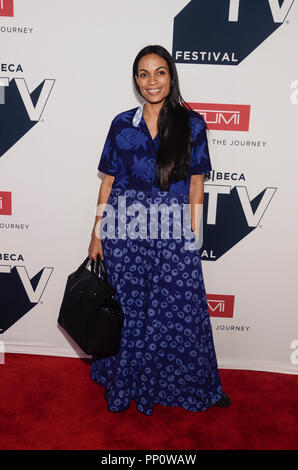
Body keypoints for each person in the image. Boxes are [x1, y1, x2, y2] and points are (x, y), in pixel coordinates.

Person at [88, 44, 230, 416]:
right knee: (129, 311)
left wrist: (192, 237)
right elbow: (107, 183)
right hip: (124, 229)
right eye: (143, 74)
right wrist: (96, 234)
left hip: (171, 231)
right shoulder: (121, 123)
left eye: (160, 72)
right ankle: (122, 382)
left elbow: (197, 186)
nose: (152, 81)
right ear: (136, 80)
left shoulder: (192, 124)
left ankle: (196, 385)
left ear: (171, 76)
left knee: (181, 311)